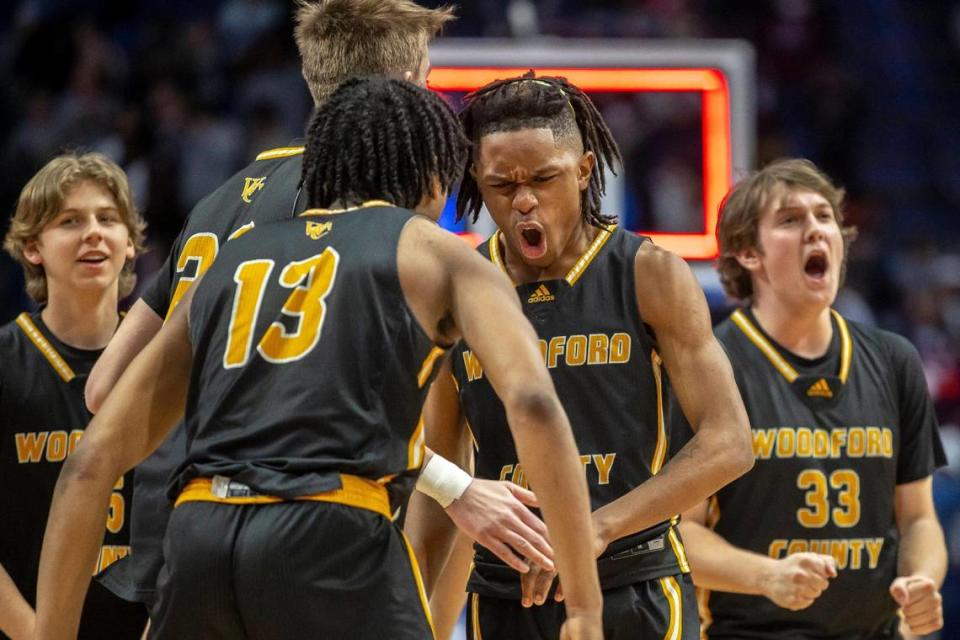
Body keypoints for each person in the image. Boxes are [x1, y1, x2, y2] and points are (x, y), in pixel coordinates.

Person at [34, 77, 603, 640]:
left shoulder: (230, 261)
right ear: (433, 173)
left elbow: (89, 464)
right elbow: (531, 401)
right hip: (328, 538)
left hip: (198, 538)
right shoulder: (437, 253)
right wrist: (582, 606)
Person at [87, 0, 550, 613]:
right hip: (291, 535)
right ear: (410, 84)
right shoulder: (350, 208)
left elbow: (104, 389)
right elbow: (305, 397)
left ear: (313, 79)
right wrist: (455, 485)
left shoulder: (223, 198)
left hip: (172, 535)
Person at [412, 72, 755, 639]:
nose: (524, 199)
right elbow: (450, 480)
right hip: (504, 591)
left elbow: (730, 442)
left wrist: (594, 530)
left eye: (543, 179)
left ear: (584, 170)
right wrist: (421, 617)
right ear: (475, 179)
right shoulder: (457, 287)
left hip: (634, 581)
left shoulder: (648, 273)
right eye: (502, 185)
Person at [678, 158, 947, 638]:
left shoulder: (892, 359)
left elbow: (919, 517)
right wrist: (766, 576)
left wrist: (922, 580)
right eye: (790, 220)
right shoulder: (711, 366)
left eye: (825, 217)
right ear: (747, 253)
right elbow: (680, 533)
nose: (816, 231)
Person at [0, 152, 148, 639]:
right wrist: (36, 633)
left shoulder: (163, 362)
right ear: (33, 249)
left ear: (130, 244)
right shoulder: (6, 359)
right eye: (69, 221)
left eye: (108, 219)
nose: (93, 232)